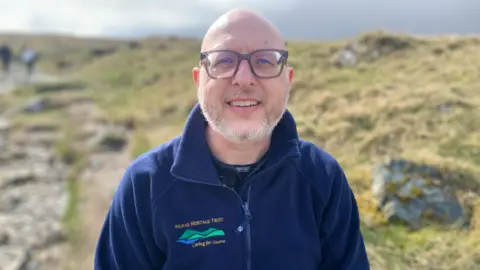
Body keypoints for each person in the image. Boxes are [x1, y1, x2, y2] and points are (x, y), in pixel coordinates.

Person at [94, 8, 370, 270]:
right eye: (224, 60)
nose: (244, 78)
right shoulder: (146, 184)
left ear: (288, 80)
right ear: (199, 80)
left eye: (264, 60)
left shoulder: (322, 177)